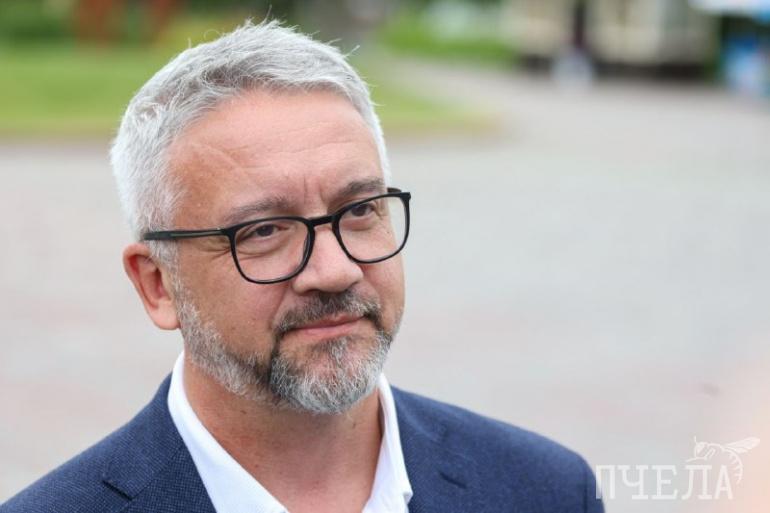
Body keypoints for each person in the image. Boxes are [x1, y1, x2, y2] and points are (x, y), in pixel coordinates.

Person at [1, 21, 603, 513]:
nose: (335, 271)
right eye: (264, 231)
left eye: (360, 210)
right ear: (158, 285)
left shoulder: (546, 491)